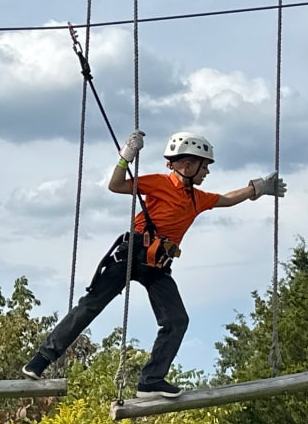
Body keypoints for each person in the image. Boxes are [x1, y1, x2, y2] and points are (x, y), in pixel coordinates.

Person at [22, 130, 286, 398]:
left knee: (176, 320)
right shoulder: (160, 183)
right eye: (204, 166)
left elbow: (227, 199)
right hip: (133, 253)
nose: (206, 172)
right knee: (90, 306)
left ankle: (150, 381)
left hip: (158, 264)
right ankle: (40, 360)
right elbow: (116, 185)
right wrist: (126, 156)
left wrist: (257, 188)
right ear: (187, 165)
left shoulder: (196, 198)